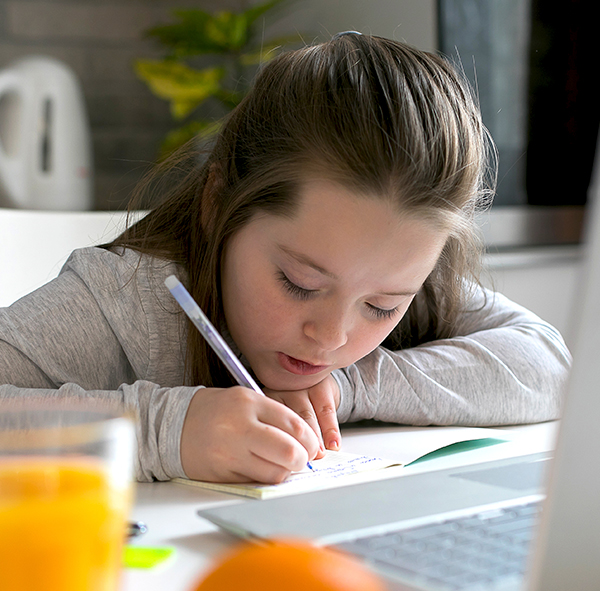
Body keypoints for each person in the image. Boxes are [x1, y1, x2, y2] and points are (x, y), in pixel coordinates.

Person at [0, 33, 571, 484]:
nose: (330, 337)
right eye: (299, 283)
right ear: (218, 202)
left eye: (382, 306)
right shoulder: (126, 299)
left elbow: (550, 365)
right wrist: (164, 432)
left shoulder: (398, 266)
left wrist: (352, 386)